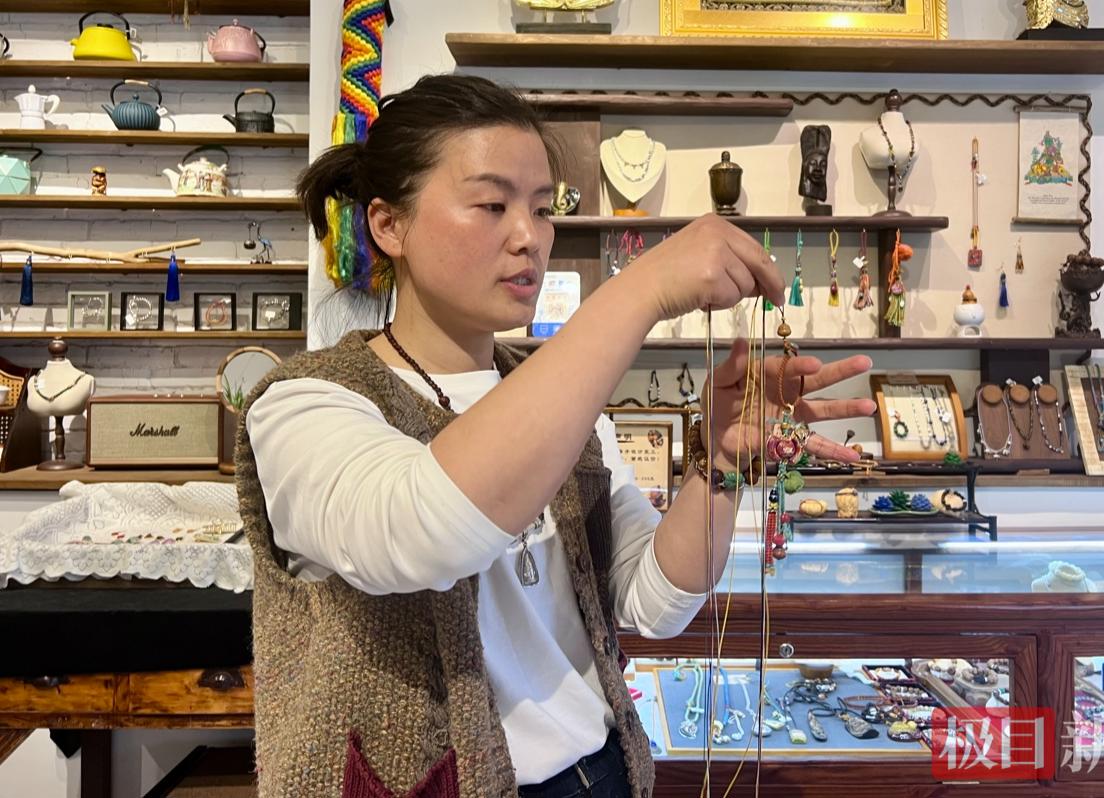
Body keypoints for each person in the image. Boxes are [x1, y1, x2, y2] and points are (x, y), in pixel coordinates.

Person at [235, 74, 876, 798]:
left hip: (601, 771)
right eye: (493, 205)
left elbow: (653, 601)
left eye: (543, 209)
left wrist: (719, 466)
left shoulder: (568, 409)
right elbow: (421, 532)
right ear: (389, 225)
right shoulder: (307, 403)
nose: (529, 237)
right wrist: (640, 289)